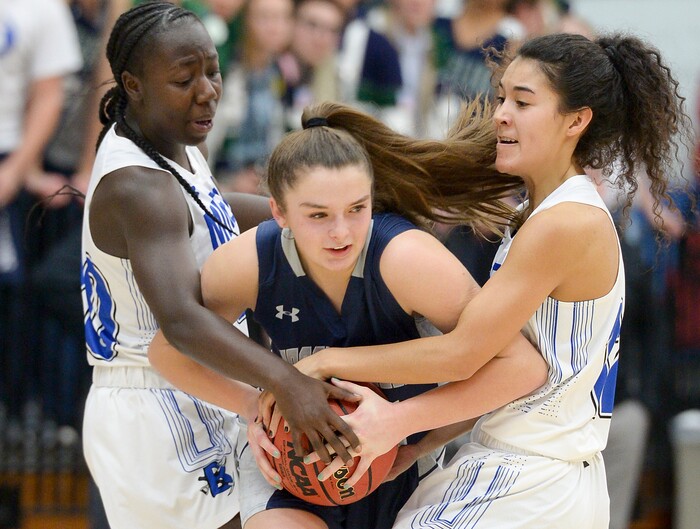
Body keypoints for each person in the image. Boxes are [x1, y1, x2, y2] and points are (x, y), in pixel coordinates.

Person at [289, 31, 693, 528]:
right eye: (502, 97)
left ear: (576, 121)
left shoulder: (567, 222)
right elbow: (504, 372)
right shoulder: (538, 213)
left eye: (522, 102)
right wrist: (422, 442)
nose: (500, 113)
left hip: (535, 481)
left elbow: (463, 353)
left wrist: (329, 363)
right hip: (525, 470)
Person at [148, 99, 547, 529]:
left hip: (403, 466)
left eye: (357, 209)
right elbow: (168, 350)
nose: (340, 232)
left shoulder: (407, 259)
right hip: (292, 472)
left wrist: (405, 430)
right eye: (318, 215)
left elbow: (520, 368)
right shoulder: (251, 261)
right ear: (279, 212)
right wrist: (253, 406)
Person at [80, 3, 365, 528]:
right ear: (133, 84)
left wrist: (311, 216)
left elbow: (212, 208)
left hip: (200, 388)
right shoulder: (138, 185)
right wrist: (287, 382)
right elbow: (183, 323)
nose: (207, 89)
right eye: (184, 79)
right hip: (153, 407)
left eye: (212, 70)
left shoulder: (170, 144)